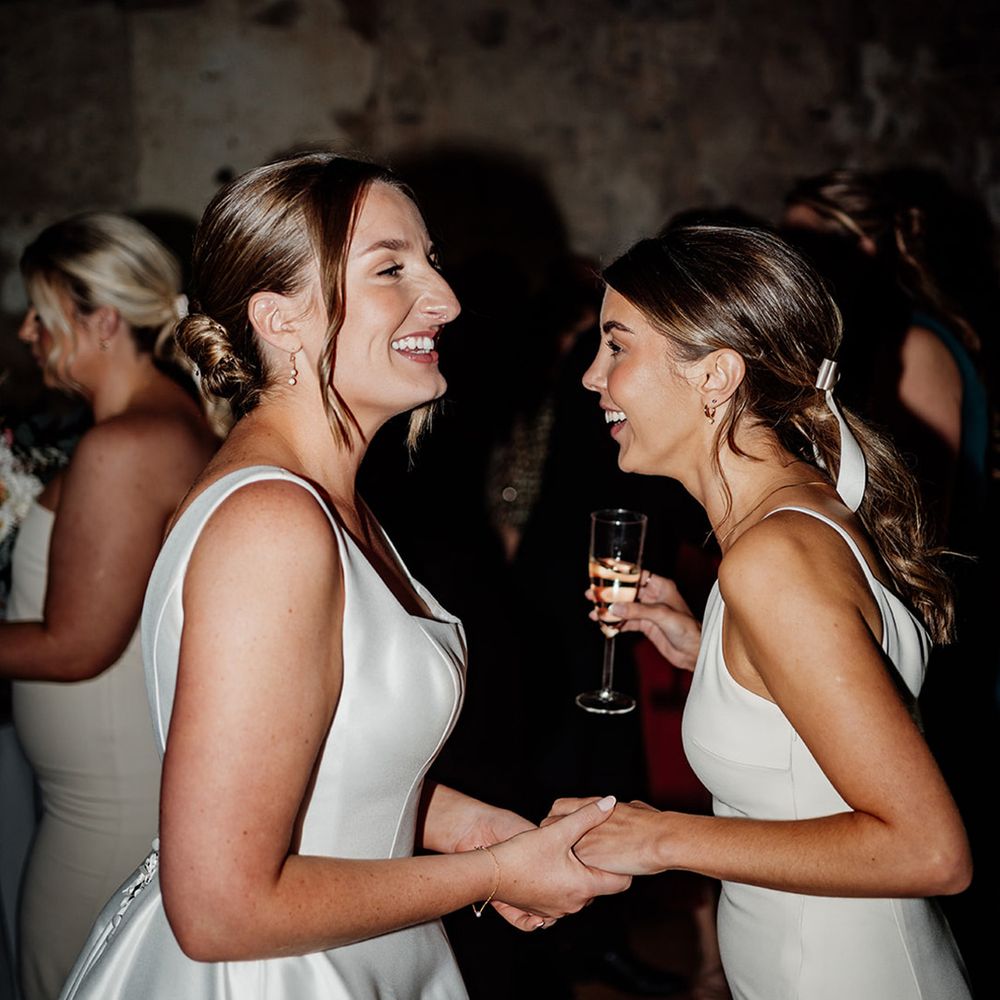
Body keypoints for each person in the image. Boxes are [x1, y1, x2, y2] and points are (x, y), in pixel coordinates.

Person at [58, 152, 630, 1000]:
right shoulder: (272, 524)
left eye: (429, 262)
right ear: (280, 318)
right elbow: (218, 908)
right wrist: (497, 873)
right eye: (392, 269)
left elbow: (322, 757)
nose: (445, 298)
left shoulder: (325, 503)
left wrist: (467, 828)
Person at [547, 225, 973, 999]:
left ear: (715, 376)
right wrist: (708, 646)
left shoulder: (769, 560)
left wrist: (663, 836)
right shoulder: (807, 506)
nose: (590, 377)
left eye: (617, 348)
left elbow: (930, 851)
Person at [0, 213, 217, 1000]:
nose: (26, 330)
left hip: (107, 807)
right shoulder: (146, 429)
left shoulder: (126, 445)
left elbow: (74, 647)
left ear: (102, 320)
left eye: (41, 309)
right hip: (104, 787)